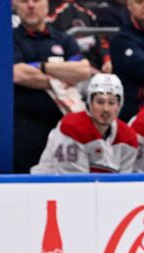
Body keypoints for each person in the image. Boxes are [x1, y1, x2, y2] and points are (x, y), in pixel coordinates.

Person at [13, 0, 92, 173]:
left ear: (47, 5)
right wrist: (62, 76)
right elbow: (18, 74)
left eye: (36, 0)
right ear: (15, 5)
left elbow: (84, 70)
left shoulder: (64, 40)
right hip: (24, 131)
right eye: (25, 1)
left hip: (63, 129)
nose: (31, 5)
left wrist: (42, 67)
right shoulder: (10, 39)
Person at [31, 73, 138, 173]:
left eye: (111, 103)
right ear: (89, 103)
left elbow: (123, 183)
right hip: (50, 191)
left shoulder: (128, 137)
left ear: (119, 105)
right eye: (100, 102)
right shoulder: (71, 128)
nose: (106, 109)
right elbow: (74, 184)